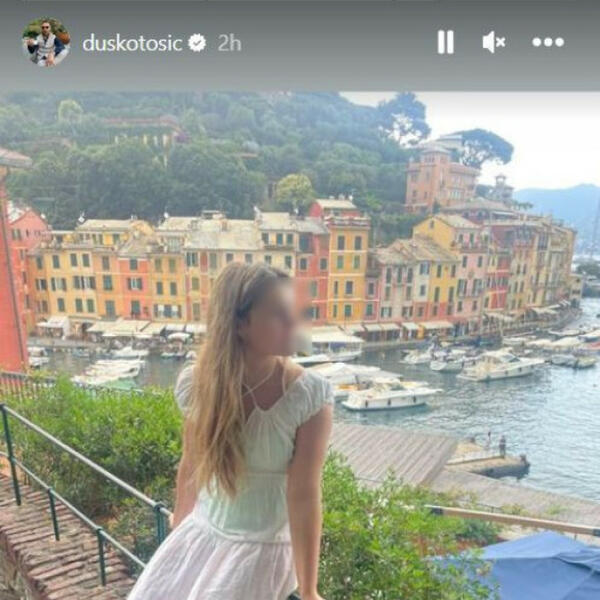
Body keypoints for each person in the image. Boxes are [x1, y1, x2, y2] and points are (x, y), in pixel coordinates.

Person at [127, 262, 334, 600]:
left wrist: (309, 590)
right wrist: (177, 542)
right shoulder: (201, 384)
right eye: (279, 314)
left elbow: (304, 494)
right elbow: (191, 466)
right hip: (203, 534)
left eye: (292, 311)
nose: (293, 322)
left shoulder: (308, 395)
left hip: (263, 548)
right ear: (240, 324)